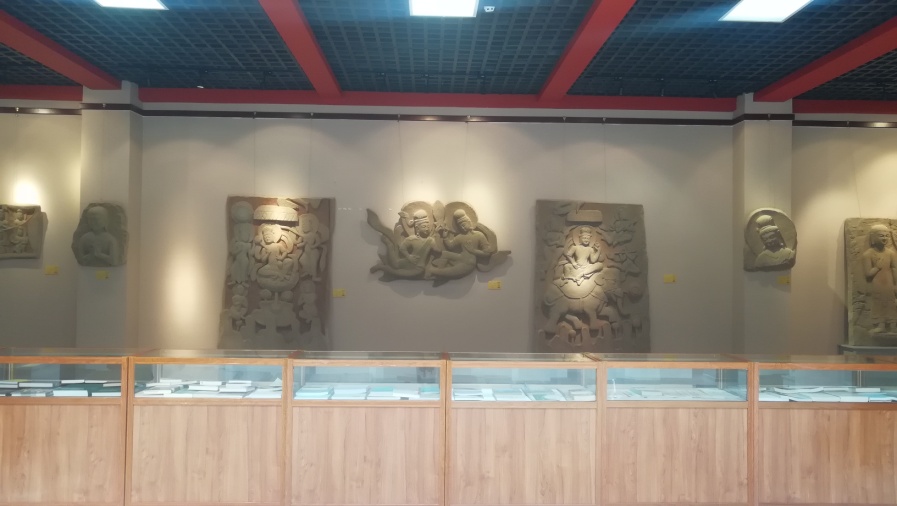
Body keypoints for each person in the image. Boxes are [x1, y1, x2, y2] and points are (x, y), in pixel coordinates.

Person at [426, 209, 495, 279]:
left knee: (451, 271)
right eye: (460, 226)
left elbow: (487, 253)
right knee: (444, 253)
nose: (462, 227)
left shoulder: (479, 235)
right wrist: (445, 237)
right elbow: (450, 246)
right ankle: (438, 269)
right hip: (460, 257)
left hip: (469, 262)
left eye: (463, 225)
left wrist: (473, 250)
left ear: (469, 222)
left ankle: (433, 271)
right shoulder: (460, 236)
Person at [371, 209, 437, 277]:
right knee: (395, 265)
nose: (427, 229)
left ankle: (382, 267)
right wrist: (409, 257)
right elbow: (402, 248)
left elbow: (438, 250)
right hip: (408, 261)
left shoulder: (430, 240)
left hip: (418, 268)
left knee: (397, 272)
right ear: (417, 228)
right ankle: (389, 245)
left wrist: (438, 234)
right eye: (424, 226)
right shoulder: (412, 239)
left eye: (428, 226)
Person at [862, 224, 897, 334]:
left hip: (889, 283)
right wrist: (877, 267)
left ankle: (893, 326)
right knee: (878, 303)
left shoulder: (891, 253)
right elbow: (868, 274)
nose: (885, 238)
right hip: (877, 284)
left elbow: (894, 268)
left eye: (887, 236)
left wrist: (895, 284)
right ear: (873, 237)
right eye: (881, 236)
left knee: (891, 303)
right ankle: (881, 325)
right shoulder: (868, 254)